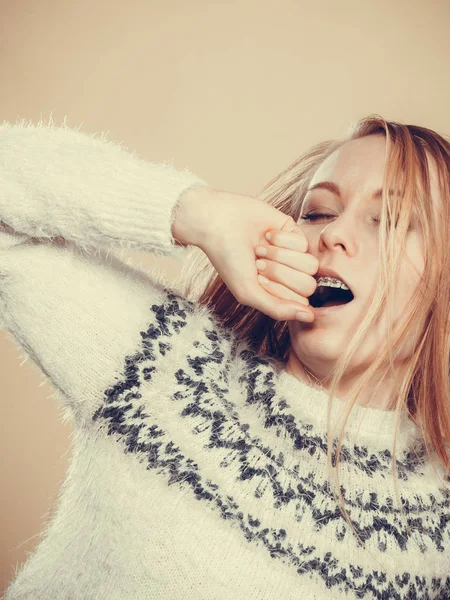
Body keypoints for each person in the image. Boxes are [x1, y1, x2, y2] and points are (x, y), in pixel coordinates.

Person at [1, 114, 449, 599]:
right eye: (318, 212)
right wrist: (197, 214)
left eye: (389, 220)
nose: (332, 234)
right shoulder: (167, 363)